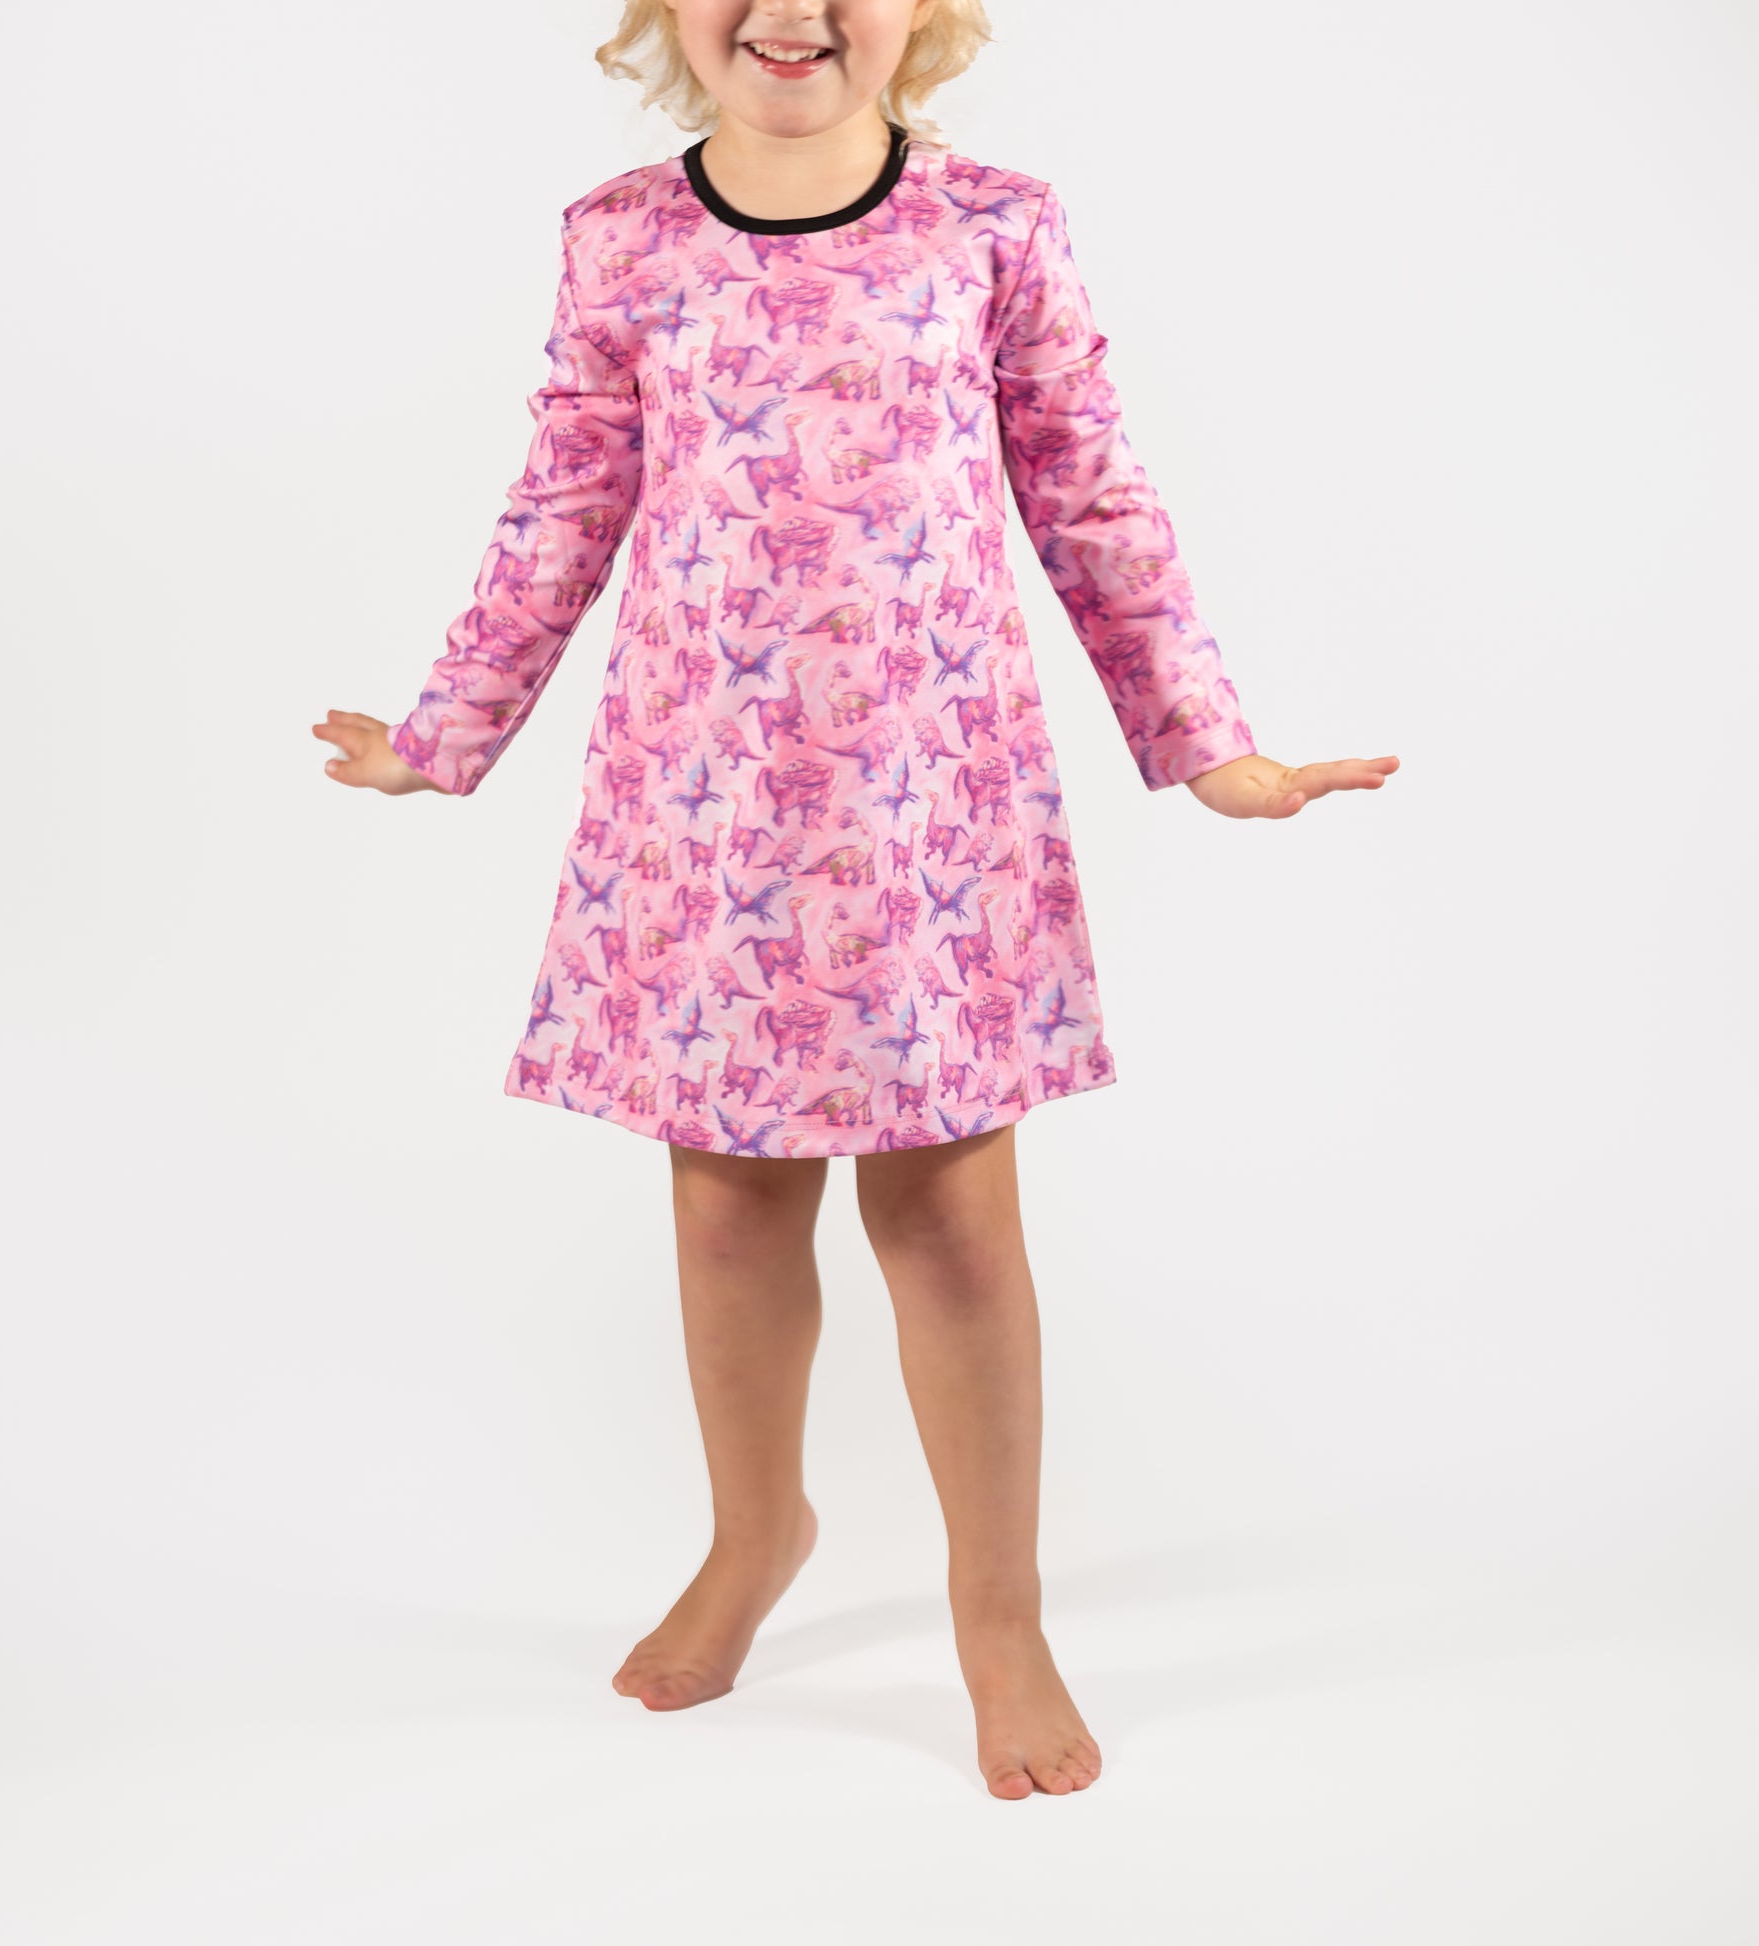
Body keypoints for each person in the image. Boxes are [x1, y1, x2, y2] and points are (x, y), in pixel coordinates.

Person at [313, 0, 1398, 1800]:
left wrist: (1210, 741)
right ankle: (758, 1534)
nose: (798, 12)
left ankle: (997, 1607)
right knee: (731, 1214)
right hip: (707, 805)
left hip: (926, 804)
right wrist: (447, 731)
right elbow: (565, 499)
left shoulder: (993, 227)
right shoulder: (621, 238)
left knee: (951, 1219)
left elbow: (1091, 494)